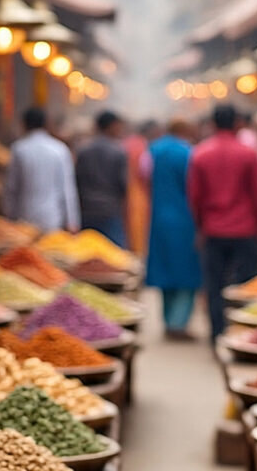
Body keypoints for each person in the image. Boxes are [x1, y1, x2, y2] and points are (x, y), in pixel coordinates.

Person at [188, 103, 257, 340]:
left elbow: (195, 198)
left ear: (211, 124)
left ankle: (217, 334)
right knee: (246, 286)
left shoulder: (200, 154)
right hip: (245, 230)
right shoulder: (248, 154)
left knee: (215, 285)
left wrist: (200, 227)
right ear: (237, 123)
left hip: (213, 230)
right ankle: (243, 335)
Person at [145, 119, 201, 339]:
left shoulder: (153, 151)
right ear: (186, 129)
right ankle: (179, 323)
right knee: (186, 271)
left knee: (165, 270)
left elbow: (144, 179)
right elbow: (196, 188)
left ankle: (168, 320)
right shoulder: (188, 153)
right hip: (185, 218)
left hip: (159, 216)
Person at [2, 106, 80, 232]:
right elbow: (67, 189)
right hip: (52, 217)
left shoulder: (19, 149)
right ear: (46, 124)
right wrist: (72, 221)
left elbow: (11, 188)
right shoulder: (59, 149)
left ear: (24, 124)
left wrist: (9, 216)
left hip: (24, 216)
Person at [74, 110, 129, 246]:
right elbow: (122, 184)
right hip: (109, 209)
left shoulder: (83, 150)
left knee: (87, 254)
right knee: (113, 256)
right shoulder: (118, 152)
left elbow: (77, 179)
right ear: (111, 126)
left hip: (87, 209)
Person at [124, 120, 159, 255]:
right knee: (139, 233)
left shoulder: (125, 144)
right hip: (140, 195)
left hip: (125, 194)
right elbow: (145, 172)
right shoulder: (144, 147)